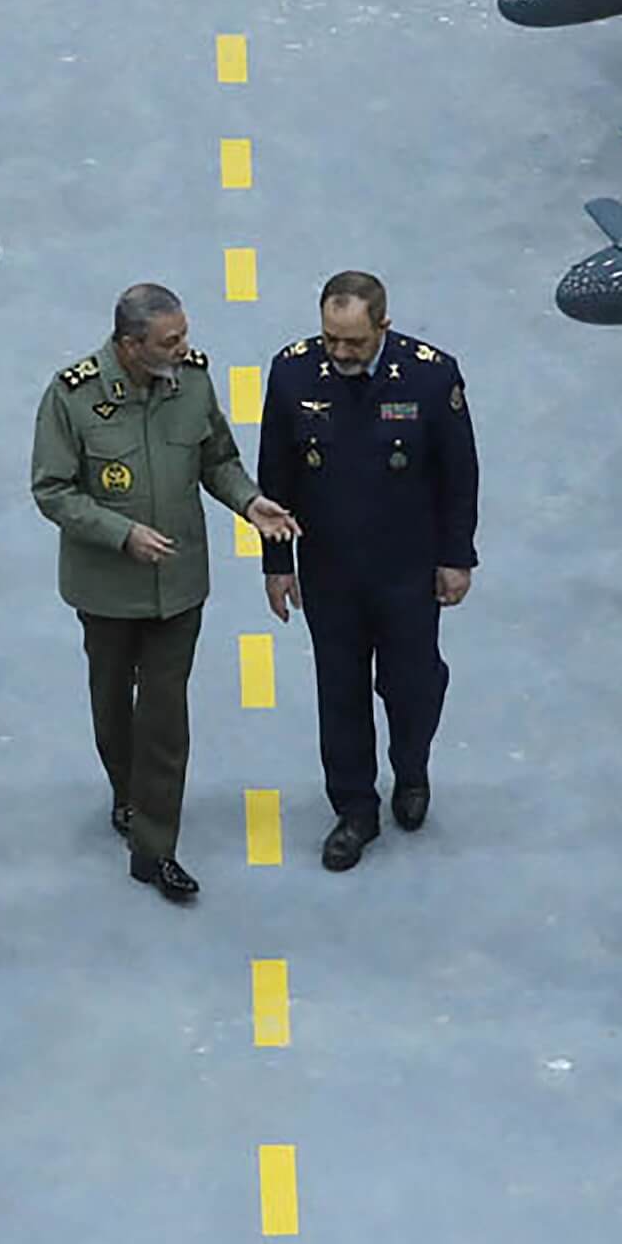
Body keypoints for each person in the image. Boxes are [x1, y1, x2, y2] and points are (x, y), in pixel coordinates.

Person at [32, 283, 300, 902]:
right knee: (111, 707)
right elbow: (53, 489)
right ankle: (126, 793)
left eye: (184, 335)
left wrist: (249, 502)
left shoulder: (193, 383)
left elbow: (217, 460)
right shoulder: (72, 396)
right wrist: (121, 534)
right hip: (106, 588)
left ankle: (155, 849)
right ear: (131, 346)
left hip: (178, 587)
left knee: (164, 716)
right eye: (170, 340)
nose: (184, 347)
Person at [257, 271, 478, 872]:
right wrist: (277, 563)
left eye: (353, 341)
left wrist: (456, 557)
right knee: (341, 693)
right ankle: (355, 809)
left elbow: (459, 475)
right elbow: (276, 475)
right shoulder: (293, 373)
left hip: (408, 570)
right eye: (331, 338)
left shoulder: (432, 376)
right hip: (329, 570)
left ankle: (411, 769)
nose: (340, 352)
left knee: (414, 685)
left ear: (383, 325)